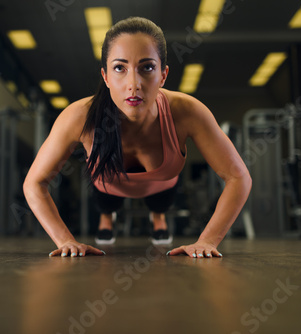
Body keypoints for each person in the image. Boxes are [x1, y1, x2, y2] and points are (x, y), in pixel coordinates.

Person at [23, 17, 251, 258]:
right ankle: (107, 217)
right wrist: (65, 241)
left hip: (163, 187)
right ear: (106, 76)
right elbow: (34, 183)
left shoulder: (188, 112)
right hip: (107, 189)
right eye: (120, 68)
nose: (134, 84)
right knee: (107, 204)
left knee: (160, 203)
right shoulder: (79, 117)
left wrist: (207, 241)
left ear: (163, 75)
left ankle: (158, 216)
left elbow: (238, 177)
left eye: (147, 67)